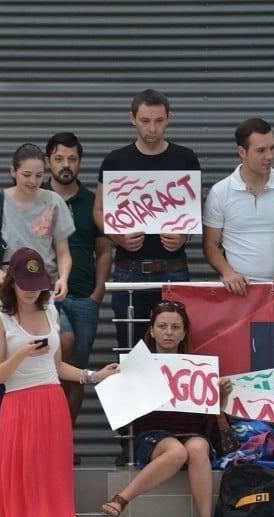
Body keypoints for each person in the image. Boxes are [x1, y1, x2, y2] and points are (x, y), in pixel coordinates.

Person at [0, 247, 118, 517]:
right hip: (18, 406)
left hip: (51, 406)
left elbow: (58, 367)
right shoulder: (0, 318)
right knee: (23, 490)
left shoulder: (51, 311)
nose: (31, 290)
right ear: (11, 282)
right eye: (24, 283)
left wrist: (94, 375)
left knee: (53, 491)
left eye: (36, 283)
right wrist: (22, 354)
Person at [0, 143, 75, 448]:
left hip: (43, 288)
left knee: (56, 348)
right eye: (26, 174)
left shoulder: (54, 201)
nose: (32, 181)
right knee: (0, 369)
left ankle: (43, 439)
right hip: (7, 288)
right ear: (13, 171)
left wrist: (64, 277)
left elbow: (63, 251)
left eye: (39, 175)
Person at [100, 300, 232, 517]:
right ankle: (122, 499)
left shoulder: (198, 366)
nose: (168, 332)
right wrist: (117, 382)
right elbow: (122, 408)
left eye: (174, 327)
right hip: (153, 434)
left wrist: (221, 395)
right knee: (177, 452)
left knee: (198, 448)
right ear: (151, 331)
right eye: (162, 326)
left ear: (183, 333)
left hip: (192, 433)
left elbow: (212, 413)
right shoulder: (137, 365)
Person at [92, 89, 200, 349]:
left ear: (169, 118)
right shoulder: (115, 160)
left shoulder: (186, 158)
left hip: (173, 269)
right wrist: (118, 236)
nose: (152, 128)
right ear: (132, 119)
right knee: (131, 352)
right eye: (145, 120)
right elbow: (98, 211)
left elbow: (195, 212)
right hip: (129, 270)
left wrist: (184, 235)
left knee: (176, 349)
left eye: (159, 120)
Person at [44, 132, 112, 461]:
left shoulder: (90, 203)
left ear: (79, 162)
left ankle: (63, 441)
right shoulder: (39, 200)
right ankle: (48, 436)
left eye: (72, 159)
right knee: (62, 349)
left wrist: (99, 292)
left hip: (86, 297)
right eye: (59, 159)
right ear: (48, 162)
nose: (65, 165)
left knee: (78, 372)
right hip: (47, 298)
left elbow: (103, 251)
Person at [202, 117, 274, 295]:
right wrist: (228, 273)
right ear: (242, 152)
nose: (270, 156)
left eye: (272, 147)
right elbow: (210, 244)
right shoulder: (221, 191)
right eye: (261, 150)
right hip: (237, 292)